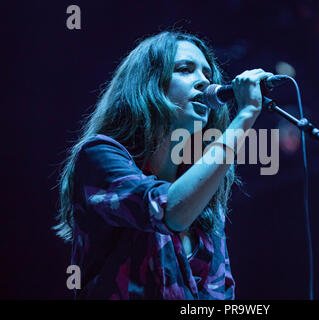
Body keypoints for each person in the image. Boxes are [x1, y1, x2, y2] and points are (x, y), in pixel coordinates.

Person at [54, 30, 273, 299]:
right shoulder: (99, 157)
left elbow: (220, 292)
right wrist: (247, 114)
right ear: (149, 83)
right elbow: (169, 210)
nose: (204, 83)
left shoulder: (202, 196)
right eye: (185, 69)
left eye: (207, 74)